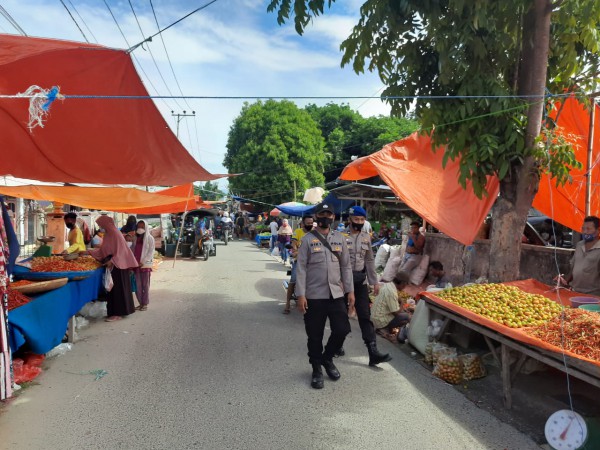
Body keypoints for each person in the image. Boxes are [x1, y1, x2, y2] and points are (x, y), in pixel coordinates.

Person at [296, 202, 355, 389]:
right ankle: (316, 369)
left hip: (336, 294)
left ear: (334, 218)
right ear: (316, 216)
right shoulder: (307, 240)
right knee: (314, 335)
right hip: (314, 295)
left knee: (342, 329)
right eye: (322, 214)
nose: (326, 217)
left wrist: (350, 291)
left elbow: (346, 266)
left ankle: (327, 358)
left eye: (329, 214)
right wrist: (301, 295)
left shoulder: (340, 239)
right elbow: (301, 269)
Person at [341, 206, 391, 366]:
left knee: (364, 315)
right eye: (356, 219)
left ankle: (373, 352)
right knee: (340, 315)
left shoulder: (365, 237)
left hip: (360, 281)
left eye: (362, 220)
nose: (359, 222)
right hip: (342, 282)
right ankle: (337, 345)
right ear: (350, 219)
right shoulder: (339, 236)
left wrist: (374, 281)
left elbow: (369, 260)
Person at [87, 216, 138, 322]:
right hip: (112, 264)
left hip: (117, 265)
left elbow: (121, 250)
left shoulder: (115, 233)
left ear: (106, 223)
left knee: (117, 290)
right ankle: (114, 311)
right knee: (112, 290)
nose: (100, 227)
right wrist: (88, 252)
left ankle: (117, 313)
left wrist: (112, 261)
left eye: (100, 224)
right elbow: (103, 250)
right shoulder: (108, 234)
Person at [558, 216, 600, 295]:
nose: (584, 232)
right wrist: (565, 281)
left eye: (588, 229)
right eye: (583, 229)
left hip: (593, 295)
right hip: (575, 291)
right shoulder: (579, 245)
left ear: (598, 230)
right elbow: (573, 267)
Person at [283, 215, 314, 314]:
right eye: (308, 223)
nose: (310, 224)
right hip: (299, 261)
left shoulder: (315, 233)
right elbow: (294, 244)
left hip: (313, 262)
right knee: (293, 279)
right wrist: (296, 251)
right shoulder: (298, 232)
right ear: (303, 223)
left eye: (311, 223)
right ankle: (287, 303)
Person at [371, 273, 411, 339]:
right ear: (403, 283)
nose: (404, 287)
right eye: (405, 285)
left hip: (374, 317)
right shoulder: (392, 292)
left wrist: (399, 301)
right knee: (406, 317)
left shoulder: (387, 285)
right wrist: (402, 304)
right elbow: (396, 313)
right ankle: (383, 329)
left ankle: (385, 329)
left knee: (404, 314)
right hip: (379, 321)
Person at [132, 220, 154, 311]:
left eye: (142, 227)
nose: (140, 228)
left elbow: (151, 251)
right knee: (137, 286)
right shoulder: (134, 238)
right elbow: (132, 249)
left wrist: (143, 261)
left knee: (145, 285)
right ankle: (141, 303)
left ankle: (145, 303)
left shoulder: (150, 238)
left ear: (146, 227)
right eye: (139, 226)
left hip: (145, 265)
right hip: (136, 265)